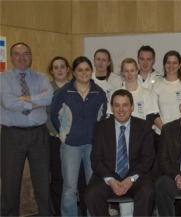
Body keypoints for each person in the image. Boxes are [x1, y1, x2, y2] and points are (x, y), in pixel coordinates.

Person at [1, 42, 53, 216]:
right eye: (17, 54)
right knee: (10, 181)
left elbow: (49, 98)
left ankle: (46, 214)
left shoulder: (41, 77)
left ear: (31, 56)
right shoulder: (2, 78)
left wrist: (23, 98)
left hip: (39, 134)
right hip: (12, 134)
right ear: (11, 57)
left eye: (26, 54)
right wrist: (35, 102)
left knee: (43, 181)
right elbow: (8, 103)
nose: (22, 58)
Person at [51, 56, 107, 216]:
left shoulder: (99, 92)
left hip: (92, 146)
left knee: (92, 186)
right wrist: (65, 134)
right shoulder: (63, 92)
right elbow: (55, 116)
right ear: (74, 72)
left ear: (92, 71)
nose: (84, 73)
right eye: (80, 70)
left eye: (87, 69)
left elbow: (102, 118)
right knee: (69, 187)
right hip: (70, 146)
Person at [85, 89, 156, 216]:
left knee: (147, 192)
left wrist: (130, 179)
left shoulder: (144, 127)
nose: (121, 110)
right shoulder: (100, 128)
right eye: (117, 105)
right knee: (91, 194)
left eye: (125, 105)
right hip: (109, 175)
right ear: (111, 108)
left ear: (132, 107)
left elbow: (147, 158)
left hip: (135, 176)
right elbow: (96, 159)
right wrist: (111, 180)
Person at [152, 51, 181, 147]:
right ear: (164, 65)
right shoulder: (157, 85)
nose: (171, 66)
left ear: (179, 65)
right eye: (168, 62)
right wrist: (166, 131)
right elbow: (153, 113)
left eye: (175, 63)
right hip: (161, 134)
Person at [46, 56, 71, 216]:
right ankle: (57, 212)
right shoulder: (45, 88)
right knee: (56, 178)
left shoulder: (75, 86)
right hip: (53, 138)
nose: (60, 70)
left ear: (68, 69)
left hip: (72, 140)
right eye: (56, 67)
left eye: (62, 66)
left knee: (72, 179)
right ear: (51, 70)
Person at [114, 58, 159, 122]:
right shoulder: (115, 93)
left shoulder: (147, 93)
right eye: (126, 71)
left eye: (132, 70)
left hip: (142, 131)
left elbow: (150, 118)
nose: (129, 74)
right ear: (122, 73)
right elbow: (112, 116)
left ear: (137, 71)